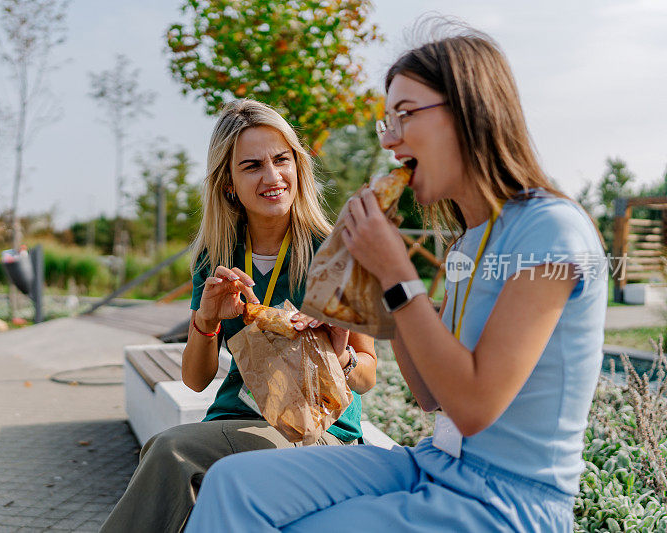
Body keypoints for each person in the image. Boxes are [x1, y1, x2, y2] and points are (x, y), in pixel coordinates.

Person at [184, 23, 607, 533]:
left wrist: (397, 274)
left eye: (404, 116)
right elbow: (430, 394)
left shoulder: (550, 230)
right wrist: (364, 303)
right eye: (387, 121)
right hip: (433, 463)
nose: (389, 138)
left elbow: (472, 408)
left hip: (510, 497)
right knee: (234, 484)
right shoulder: (471, 241)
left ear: (469, 114)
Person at [100, 99, 377, 533]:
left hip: (314, 430)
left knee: (171, 452)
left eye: (281, 159)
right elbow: (195, 380)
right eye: (252, 166)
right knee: (164, 449)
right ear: (229, 182)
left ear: (298, 165)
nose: (272, 177)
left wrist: (341, 354)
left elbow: (368, 376)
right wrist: (206, 320)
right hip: (235, 419)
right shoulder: (216, 257)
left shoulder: (337, 252)